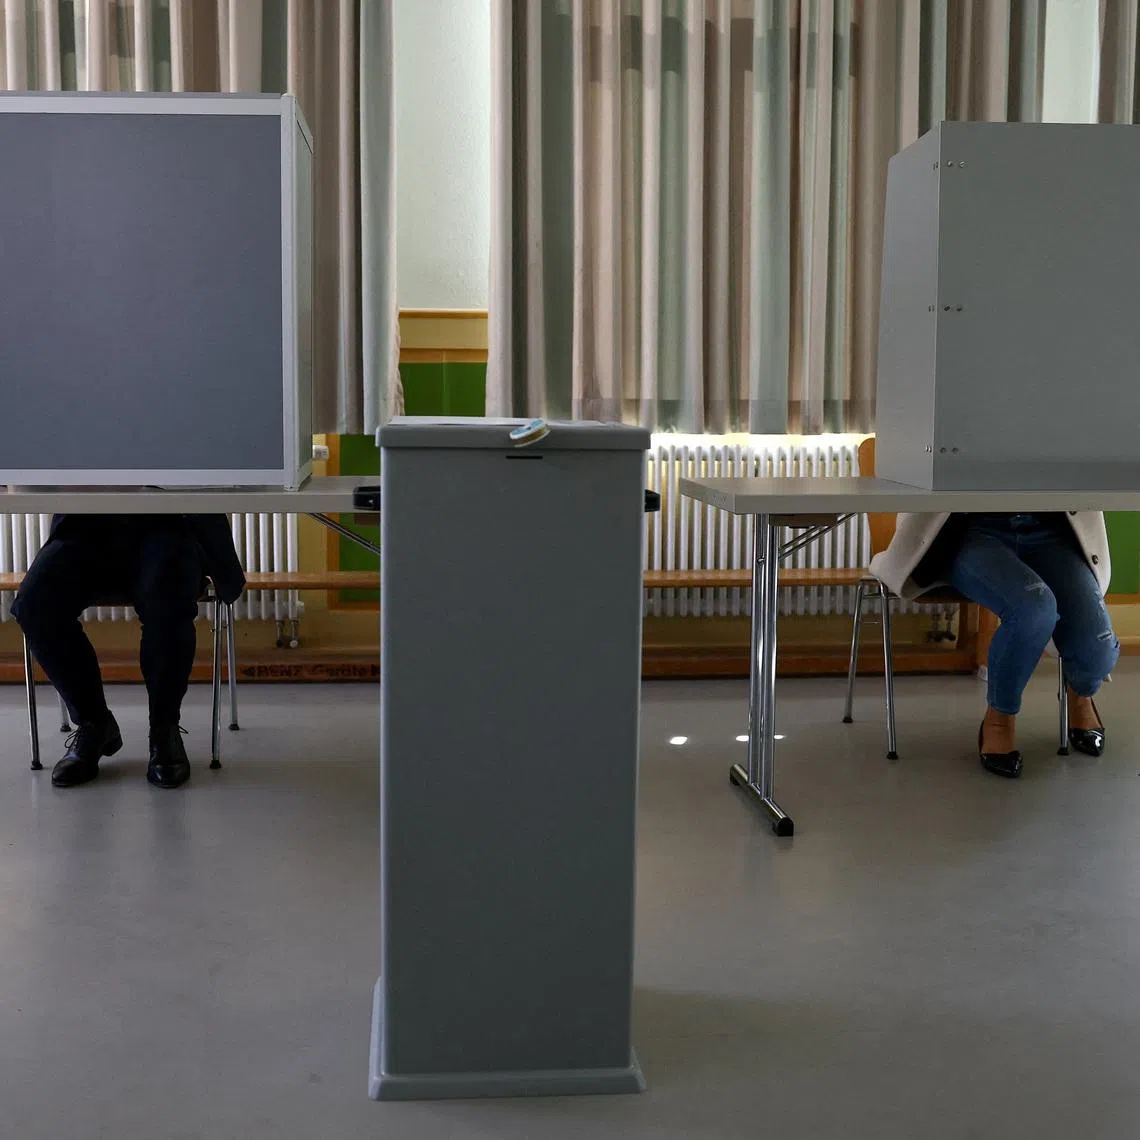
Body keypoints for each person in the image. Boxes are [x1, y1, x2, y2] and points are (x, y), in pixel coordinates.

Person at [870, 511, 1118, 779]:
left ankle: (1079, 695)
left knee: (1097, 649)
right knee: (1033, 610)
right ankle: (1000, 717)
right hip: (973, 530)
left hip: (1053, 530)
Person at [12, 514, 245, 789]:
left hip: (165, 527)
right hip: (84, 529)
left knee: (168, 601)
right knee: (34, 605)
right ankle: (94, 725)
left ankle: (164, 731)